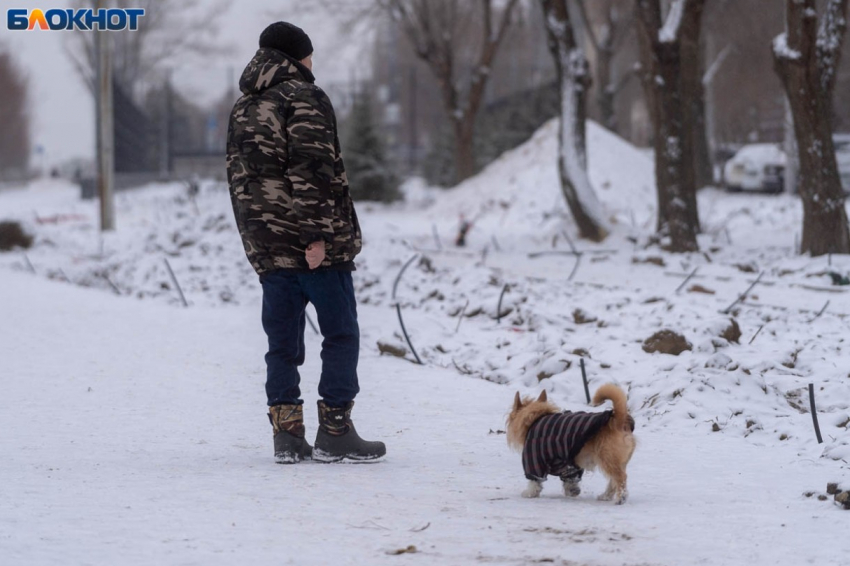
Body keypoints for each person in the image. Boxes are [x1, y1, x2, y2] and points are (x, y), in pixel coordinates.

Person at [226, 21, 386, 464]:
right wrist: (316, 237)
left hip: (269, 250)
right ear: (297, 56)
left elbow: (240, 181)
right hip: (314, 251)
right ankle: (335, 431)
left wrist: (257, 246)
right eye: (310, 55)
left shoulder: (243, 106)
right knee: (340, 334)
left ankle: (288, 436)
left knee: (281, 344)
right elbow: (311, 169)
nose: (313, 63)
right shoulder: (303, 96)